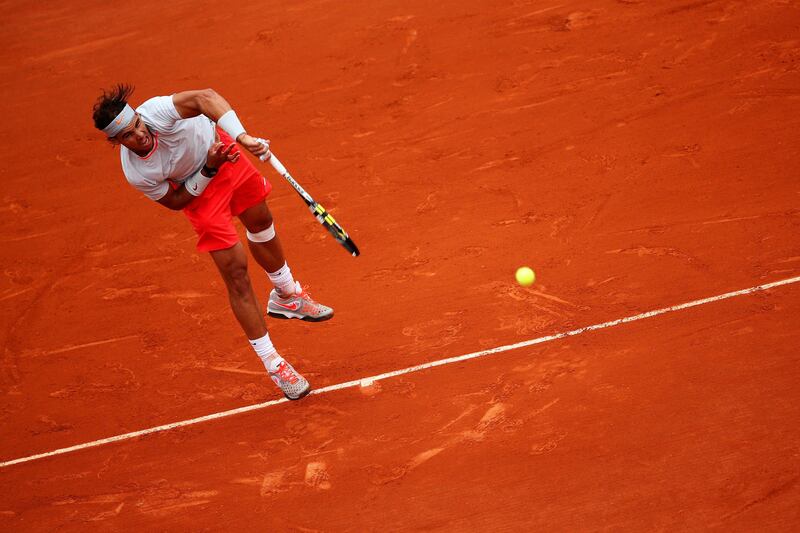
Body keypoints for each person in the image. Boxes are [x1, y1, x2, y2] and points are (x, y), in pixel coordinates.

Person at [91, 84, 332, 400]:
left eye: (137, 124)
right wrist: (207, 168)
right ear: (117, 142)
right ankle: (275, 365)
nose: (140, 134)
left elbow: (205, 98)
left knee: (261, 223)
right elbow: (177, 200)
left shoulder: (158, 112)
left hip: (224, 153)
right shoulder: (137, 172)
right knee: (236, 275)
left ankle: (287, 295)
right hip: (199, 192)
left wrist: (242, 137)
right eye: (128, 136)